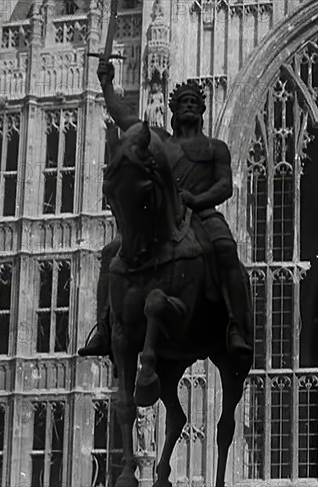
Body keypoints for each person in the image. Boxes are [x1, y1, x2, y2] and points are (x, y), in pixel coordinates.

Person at [78, 60, 252, 357]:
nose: (188, 106)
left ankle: (235, 325)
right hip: (165, 218)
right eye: (183, 102)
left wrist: (197, 200)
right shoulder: (160, 140)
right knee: (111, 253)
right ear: (173, 110)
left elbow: (224, 186)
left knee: (224, 248)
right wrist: (107, 86)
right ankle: (105, 328)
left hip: (203, 214)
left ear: (202, 110)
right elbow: (126, 119)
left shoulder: (215, 147)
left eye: (194, 102)